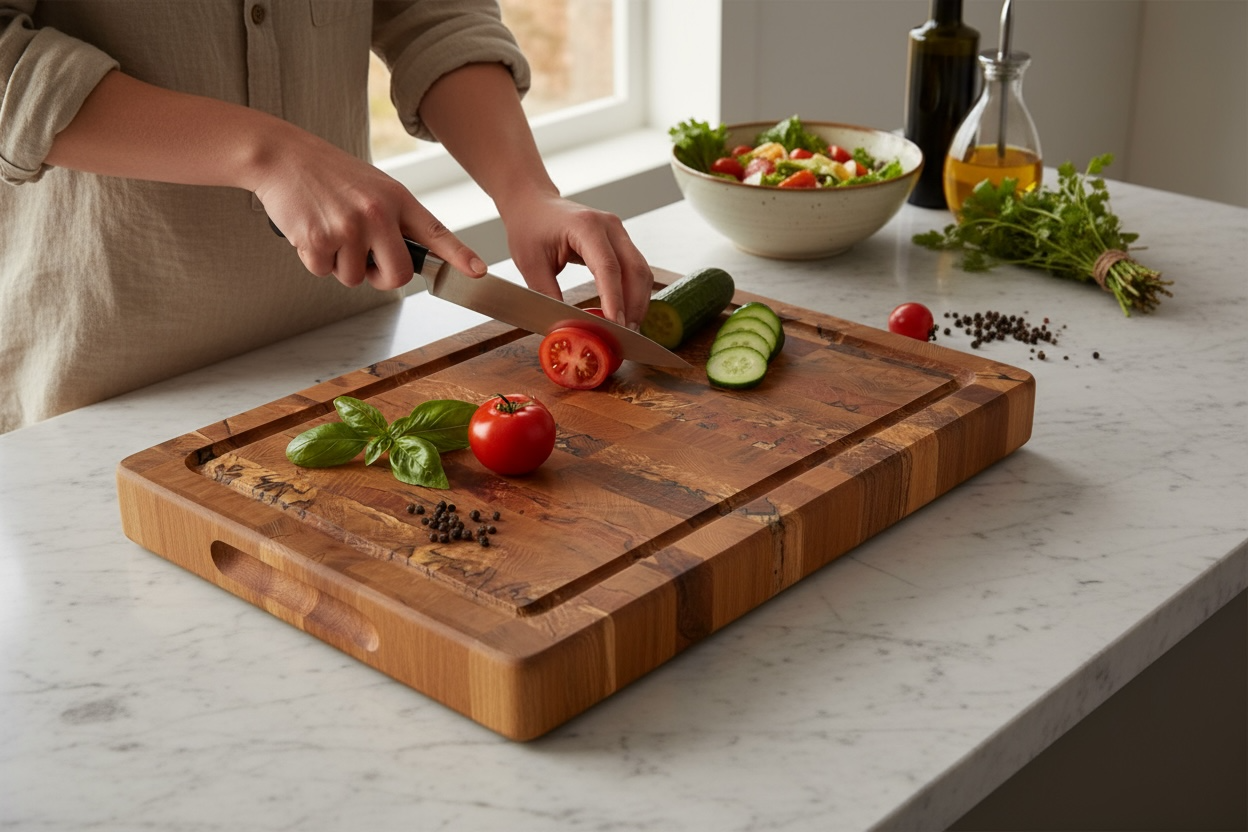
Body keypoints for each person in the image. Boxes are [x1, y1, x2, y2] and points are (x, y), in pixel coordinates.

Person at [0, 1, 654, 434]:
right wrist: (265, 153)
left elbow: (429, 6)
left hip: (346, 353)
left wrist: (525, 190)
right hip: (103, 385)